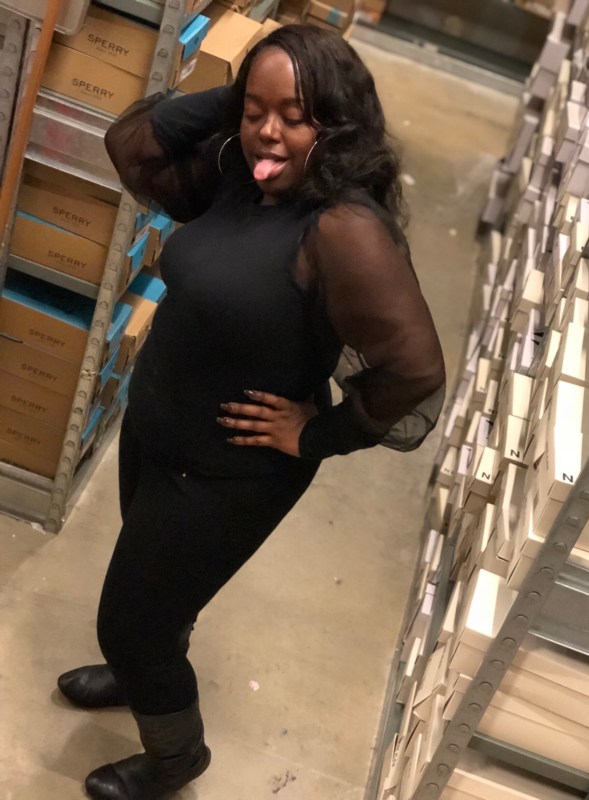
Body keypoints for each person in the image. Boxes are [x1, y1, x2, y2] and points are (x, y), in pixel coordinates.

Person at [57, 24, 445, 800]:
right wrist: (237, 102)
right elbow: (131, 147)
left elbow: (416, 370)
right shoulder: (242, 176)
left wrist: (320, 433)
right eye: (256, 111)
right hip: (158, 428)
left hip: (229, 474)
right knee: (155, 599)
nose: (269, 132)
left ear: (338, 124)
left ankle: (176, 757)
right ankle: (141, 669)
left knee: (130, 623)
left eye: (294, 117)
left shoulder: (342, 229)